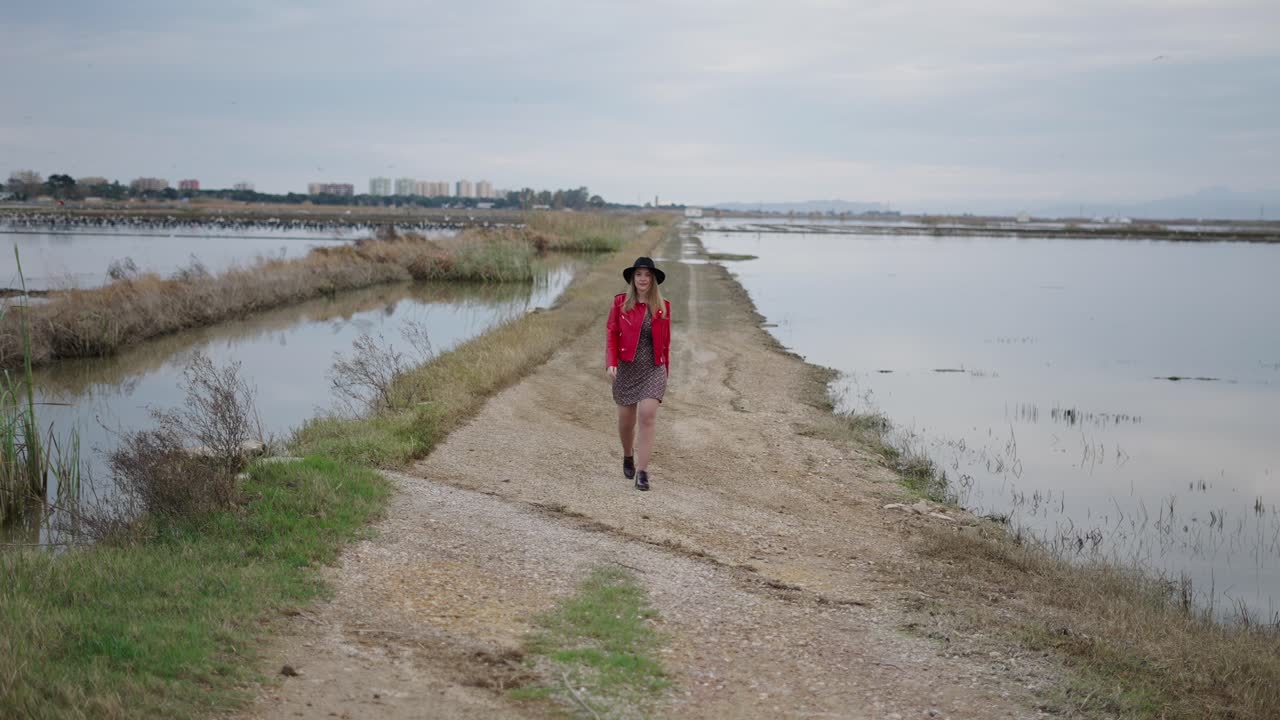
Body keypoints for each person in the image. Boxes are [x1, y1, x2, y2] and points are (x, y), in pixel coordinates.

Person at [605, 257, 671, 491]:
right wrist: (611, 362)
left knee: (647, 415)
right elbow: (612, 333)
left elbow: (665, 345)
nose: (643, 279)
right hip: (627, 367)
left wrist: (665, 374)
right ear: (633, 279)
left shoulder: (663, 307)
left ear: (653, 280)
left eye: (647, 275)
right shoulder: (620, 303)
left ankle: (642, 472)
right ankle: (627, 455)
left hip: (653, 368)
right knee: (626, 422)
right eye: (639, 275)